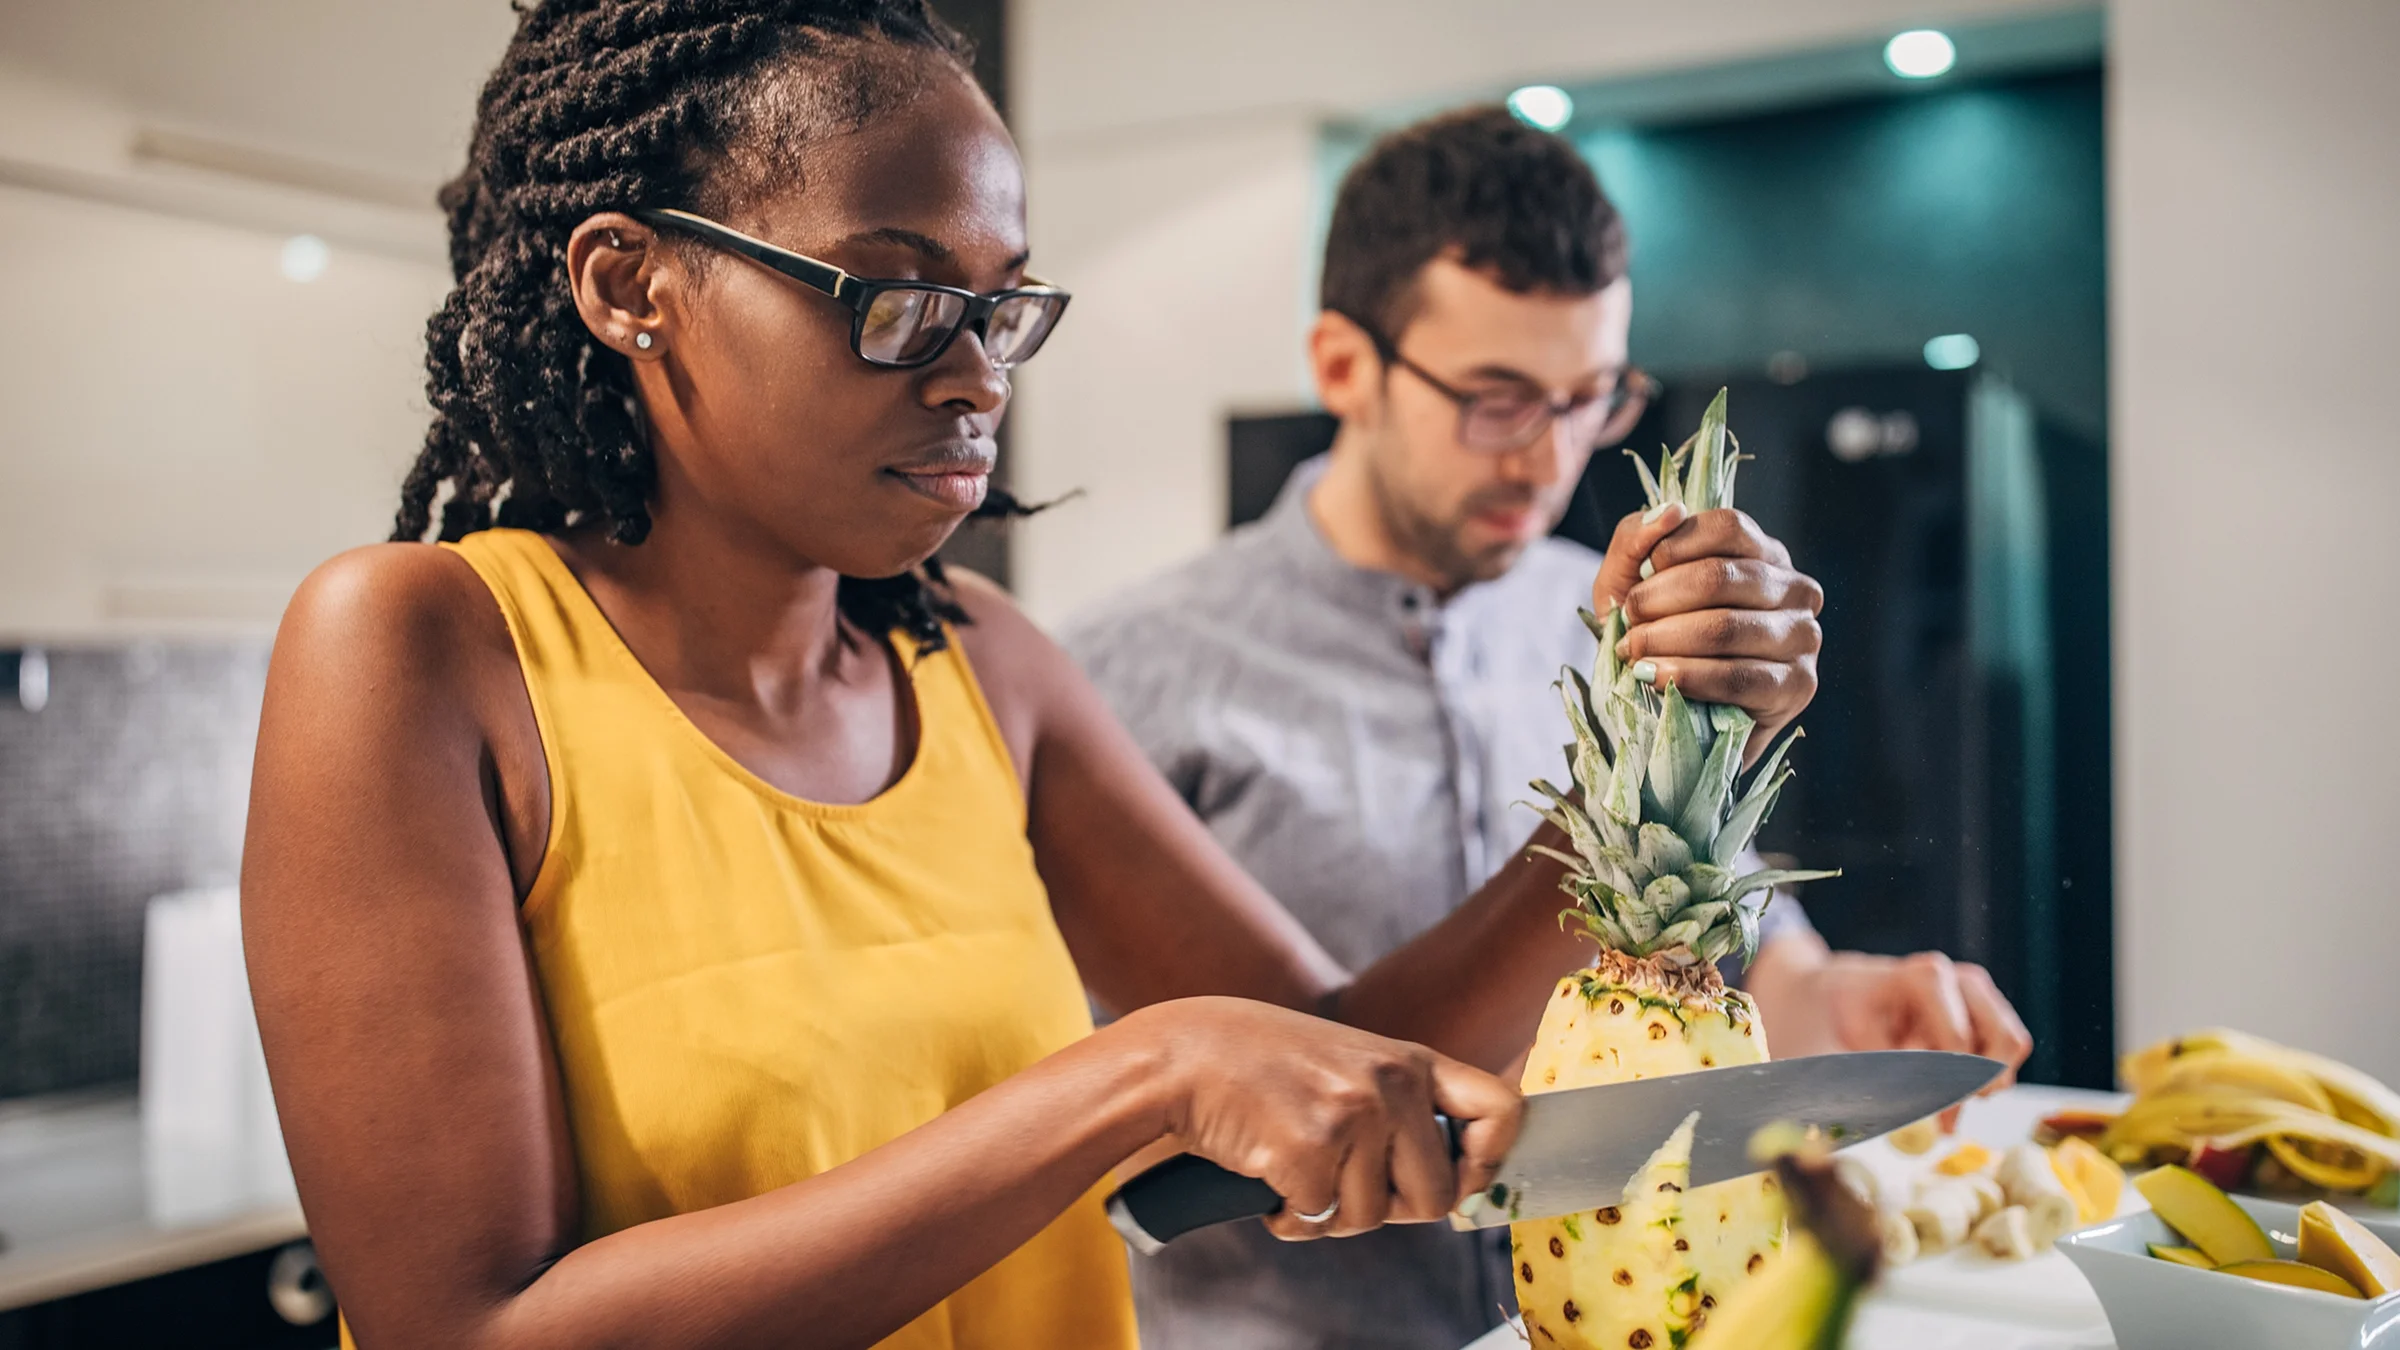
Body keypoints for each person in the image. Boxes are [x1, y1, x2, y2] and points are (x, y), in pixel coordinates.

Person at [238, 8, 1829, 1349]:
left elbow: (1335, 1033)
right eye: (898, 295)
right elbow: (467, 1325)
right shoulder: (422, 652)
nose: (977, 370)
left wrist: (1657, 733)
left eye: (1001, 303)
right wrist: (1140, 1075)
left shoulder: (985, 671)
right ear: (629, 284)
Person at [1062, 106, 2036, 1350]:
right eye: (1496, 399)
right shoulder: (1126, 673)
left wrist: (1845, 1005)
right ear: (1343, 365)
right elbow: (1185, 1099)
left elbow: (1750, 966)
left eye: (1591, 398)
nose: (1550, 456)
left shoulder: (1625, 621)